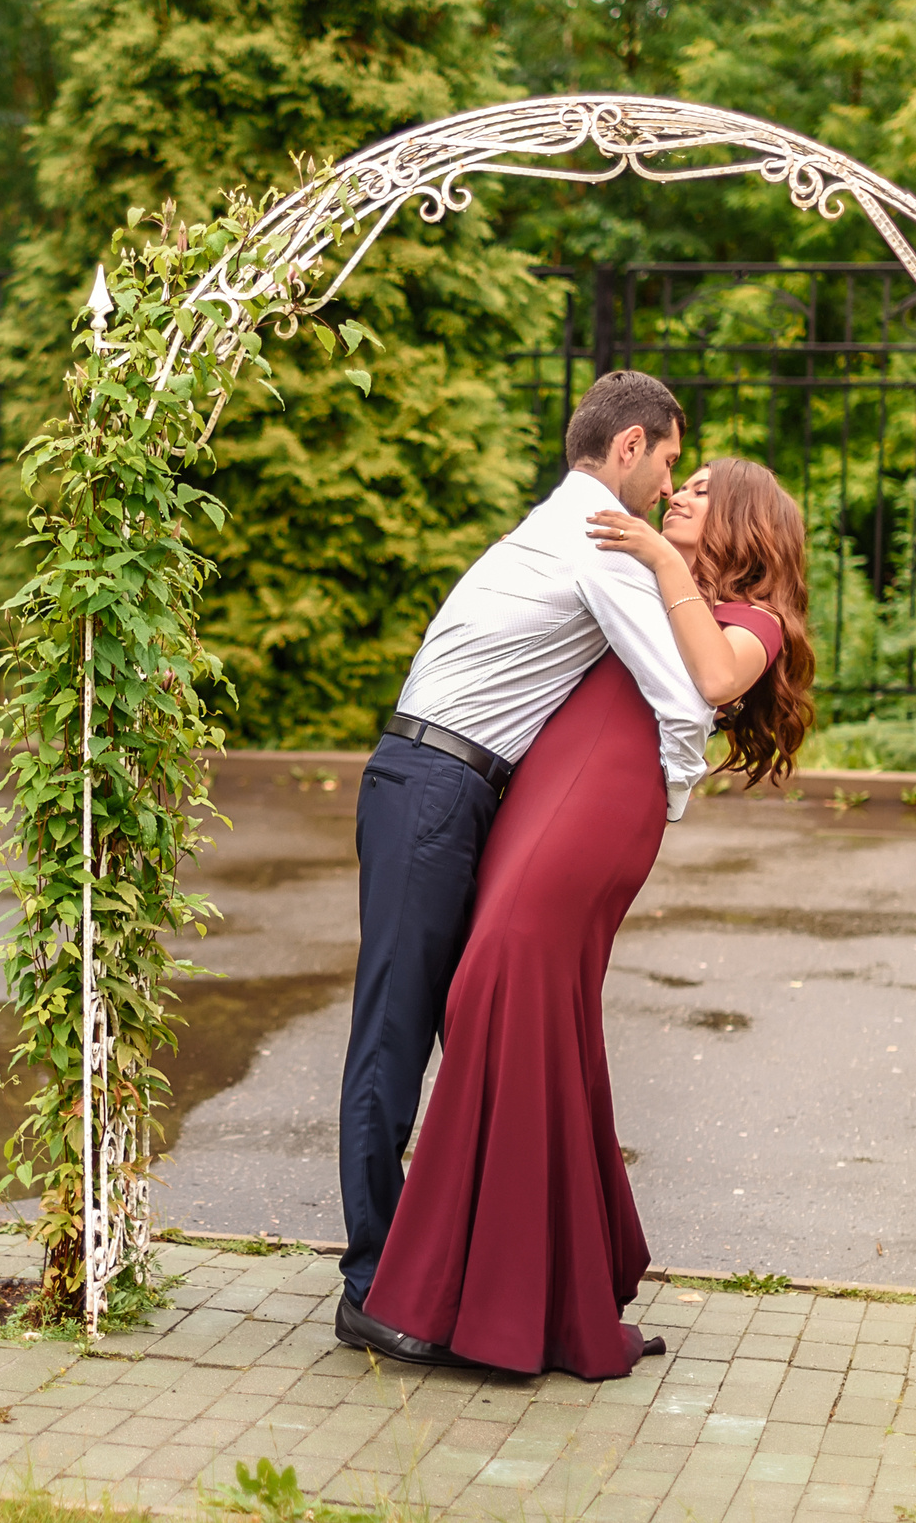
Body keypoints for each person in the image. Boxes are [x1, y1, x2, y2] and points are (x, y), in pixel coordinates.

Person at [362, 456, 816, 1378]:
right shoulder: (642, 575)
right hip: (543, 796)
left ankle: (481, 1302)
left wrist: (659, 552)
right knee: (511, 1006)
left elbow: (716, 682)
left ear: (745, 524)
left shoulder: (752, 618)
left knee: (501, 985)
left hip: (597, 806)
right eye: (678, 483)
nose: (679, 493)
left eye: (703, 491)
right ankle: (547, 1292)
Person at [334, 372, 716, 1368]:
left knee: (467, 1025)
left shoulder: (560, 521)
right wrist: (671, 798)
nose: (669, 480)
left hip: (443, 784)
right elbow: (683, 696)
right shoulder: (600, 540)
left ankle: (446, 1273)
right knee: (397, 1030)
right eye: (669, 457)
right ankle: (370, 1284)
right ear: (628, 446)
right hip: (433, 786)